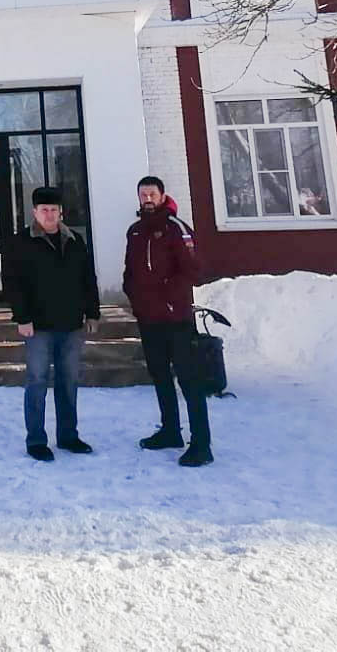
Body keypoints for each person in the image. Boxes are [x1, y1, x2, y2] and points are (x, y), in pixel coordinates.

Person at [1, 185, 100, 462]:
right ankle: (36, 440)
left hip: (70, 324)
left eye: (54, 210)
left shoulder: (75, 240)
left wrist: (92, 313)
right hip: (38, 326)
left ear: (61, 212)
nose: (49, 215)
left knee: (69, 381)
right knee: (37, 381)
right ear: (34, 212)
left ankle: (68, 436)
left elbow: (87, 279)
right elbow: (12, 284)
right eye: (44, 210)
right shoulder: (21, 242)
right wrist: (22, 317)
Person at [122, 175, 213, 466]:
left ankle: (201, 444)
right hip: (149, 320)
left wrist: (170, 295)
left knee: (189, 380)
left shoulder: (177, 229)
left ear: (162, 196)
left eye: (152, 193)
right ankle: (171, 430)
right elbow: (130, 272)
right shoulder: (135, 232)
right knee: (159, 376)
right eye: (143, 194)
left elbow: (195, 270)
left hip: (177, 319)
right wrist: (134, 296)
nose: (147, 198)